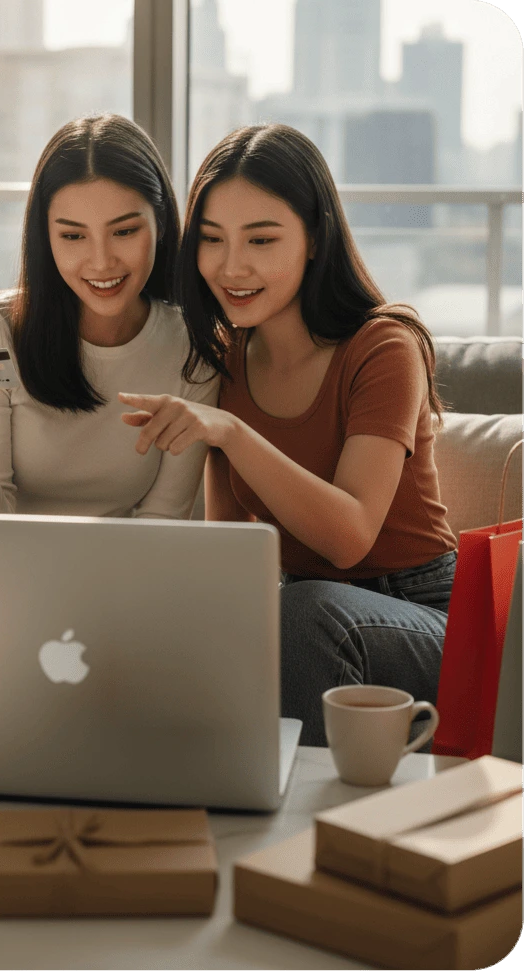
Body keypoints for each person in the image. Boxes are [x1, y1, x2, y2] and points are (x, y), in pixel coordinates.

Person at [118, 124, 457, 745]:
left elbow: (350, 535)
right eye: (212, 240)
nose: (232, 266)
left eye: (262, 239)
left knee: (307, 614)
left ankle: (300, 836)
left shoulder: (384, 346)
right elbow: (229, 554)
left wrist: (231, 433)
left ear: (314, 239)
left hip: (426, 615)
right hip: (303, 617)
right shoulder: (226, 358)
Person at [0, 114, 218, 519]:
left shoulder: (194, 349)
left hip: (132, 577)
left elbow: (164, 521)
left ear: (162, 223)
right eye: (73, 236)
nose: (101, 262)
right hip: (11, 572)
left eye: (124, 232)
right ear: (45, 237)